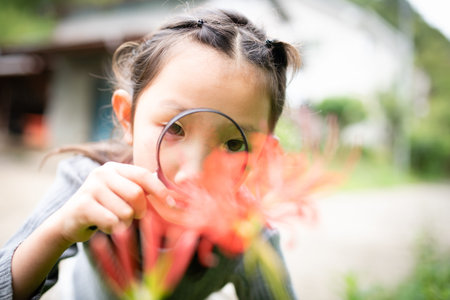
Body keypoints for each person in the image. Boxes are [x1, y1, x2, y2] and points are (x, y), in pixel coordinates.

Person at [0, 7, 301, 300]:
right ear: (127, 117)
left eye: (234, 144)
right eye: (175, 129)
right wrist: (60, 230)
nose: (192, 172)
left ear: (261, 156)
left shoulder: (247, 229)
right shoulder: (86, 180)